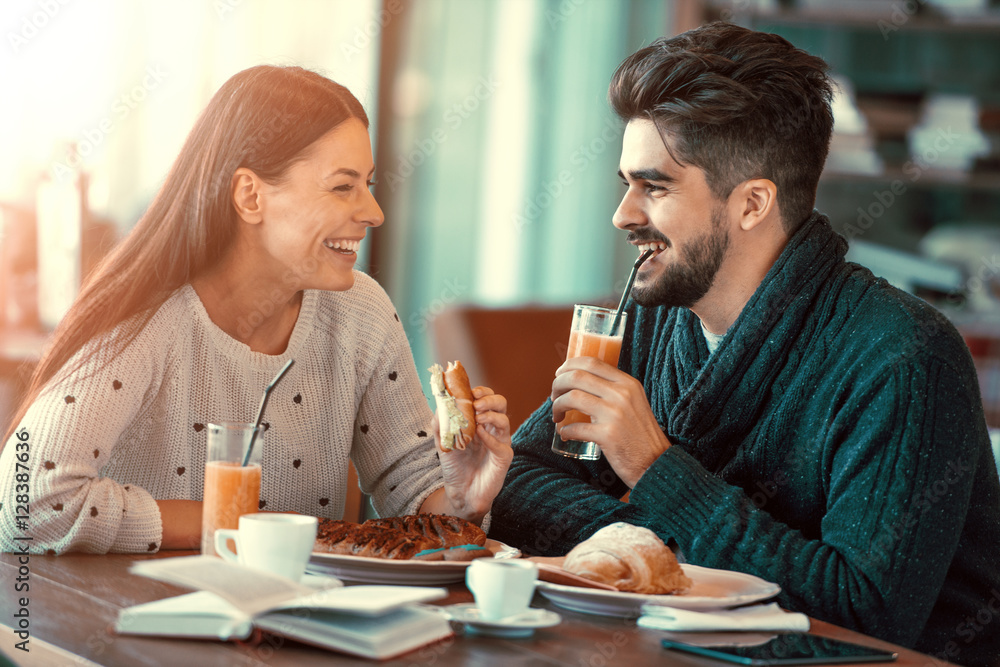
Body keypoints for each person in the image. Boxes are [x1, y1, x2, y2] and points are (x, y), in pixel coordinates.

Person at [489, 22, 1000, 666]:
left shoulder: (902, 356)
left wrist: (652, 467)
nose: (622, 213)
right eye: (626, 182)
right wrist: (645, 550)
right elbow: (516, 484)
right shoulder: (652, 318)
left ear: (753, 203)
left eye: (656, 185)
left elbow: (866, 614)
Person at [0, 66, 512, 554]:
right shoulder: (143, 319)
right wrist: (237, 524)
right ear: (250, 196)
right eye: (342, 186)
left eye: (368, 185)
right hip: (136, 627)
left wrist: (463, 498)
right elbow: (24, 504)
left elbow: (418, 497)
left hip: (294, 629)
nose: (372, 212)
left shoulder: (360, 312)